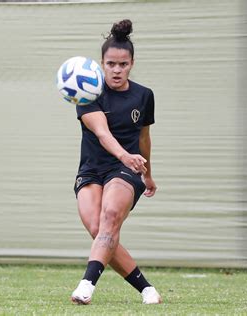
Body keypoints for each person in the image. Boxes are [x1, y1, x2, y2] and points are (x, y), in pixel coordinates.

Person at [70, 19, 162, 305]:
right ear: (102, 63)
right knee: (100, 231)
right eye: (111, 64)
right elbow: (102, 132)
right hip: (92, 169)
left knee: (110, 215)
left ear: (132, 63)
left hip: (125, 171)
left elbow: (144, 137)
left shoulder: (144, 95)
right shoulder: (87, 93)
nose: (117, 70)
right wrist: (125, 154)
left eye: (123, 64)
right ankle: (147, 290)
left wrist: (148, 173)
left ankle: (86, 284)